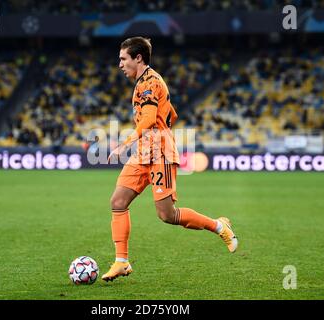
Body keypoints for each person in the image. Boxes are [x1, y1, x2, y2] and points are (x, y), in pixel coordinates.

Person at [102, 37, 238, 282]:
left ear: (138, 58)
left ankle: (219, 226)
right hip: (144, 151)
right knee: (118, 201)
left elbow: (149, 118)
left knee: (167, 215)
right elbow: (169, 113)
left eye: (123, 59)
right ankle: (121, 261)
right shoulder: (144, 82)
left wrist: (125, 142)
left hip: (159, 152)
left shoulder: (150, 81)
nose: (119, 64)